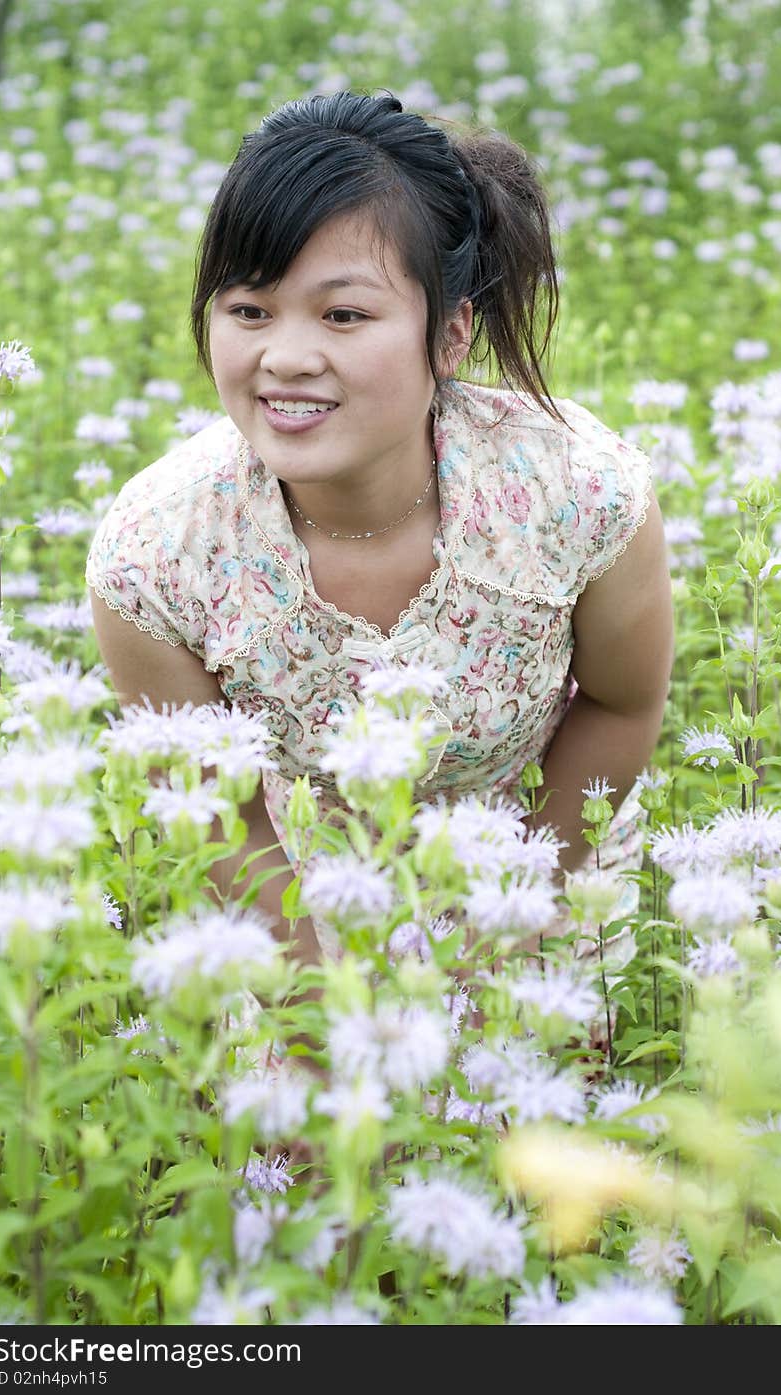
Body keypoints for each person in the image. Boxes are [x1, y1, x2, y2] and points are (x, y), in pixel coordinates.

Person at [86, 90, 674, 974]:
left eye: (343, 315)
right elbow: (225, 824)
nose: (284, 356)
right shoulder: (155, 554)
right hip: (294, 912)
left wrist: (497, 931)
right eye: (249, 310)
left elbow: (623, 704)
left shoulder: (580, 492)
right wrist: (321, 1030)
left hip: (540, 862)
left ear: (449, 336)